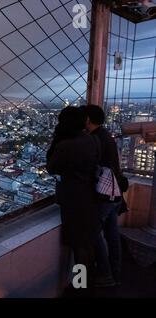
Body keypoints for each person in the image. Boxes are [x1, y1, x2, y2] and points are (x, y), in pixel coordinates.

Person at [47, 107, 101, 291]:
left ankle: (81, 286)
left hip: (73, 200)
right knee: (87, 243)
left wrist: (56, 141)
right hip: (91, 196)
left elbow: (51, 167)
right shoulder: (92, 139)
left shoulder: (65, 145)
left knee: (79, 246)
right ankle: (89, 282)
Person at [82, 105, 126, 287]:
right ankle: (116, 272)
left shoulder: (95, 138)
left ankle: (105, 274)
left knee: (92, 232)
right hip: (114, 192)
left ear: (88, 119)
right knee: (112, 234)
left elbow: (91, 167)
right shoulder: (106, 135)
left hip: (104, 194)